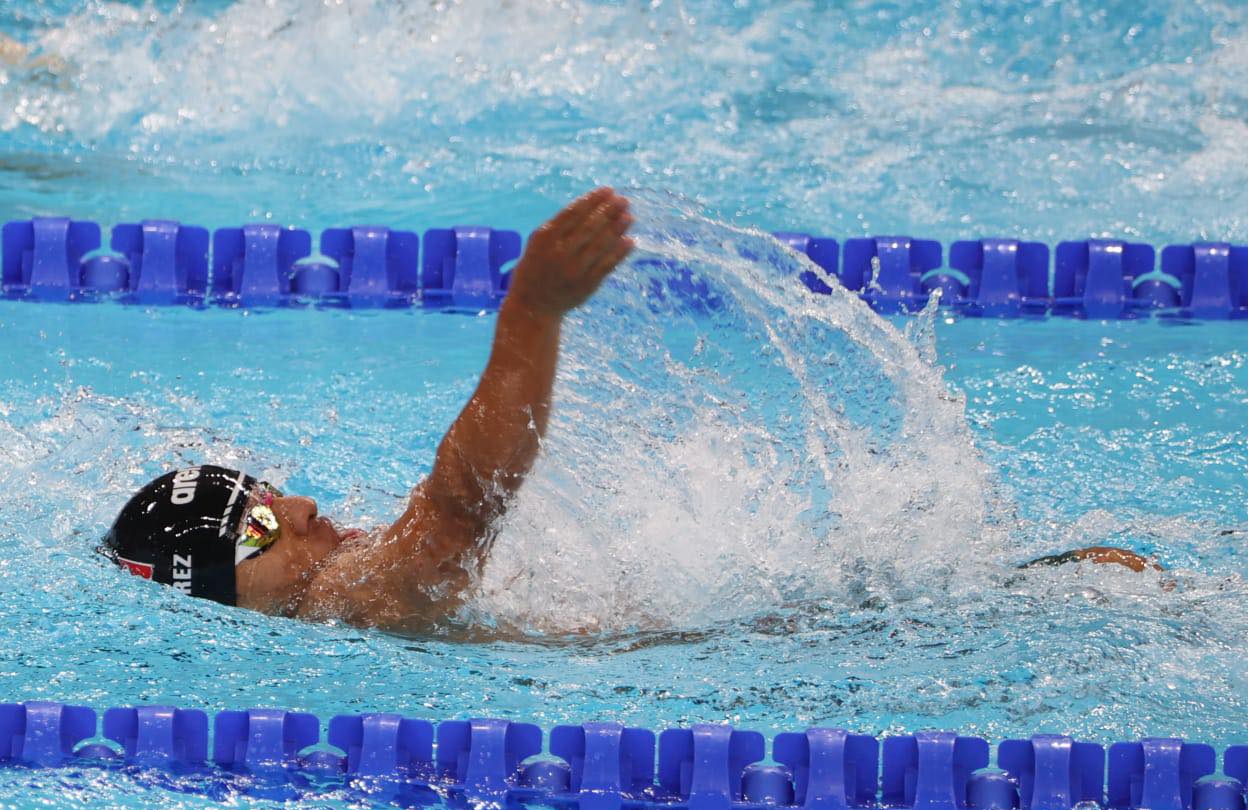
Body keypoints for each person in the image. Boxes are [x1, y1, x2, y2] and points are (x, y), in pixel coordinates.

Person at [99, 187, 1162, 635]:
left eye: (262, 487)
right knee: (1089, 585)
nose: (303, 503)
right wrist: (531, 311)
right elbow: (464, 509)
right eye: (254, 522)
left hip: (765, 626)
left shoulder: (332, 578)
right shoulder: (350, 606)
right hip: (759, 653)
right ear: (223, 590)